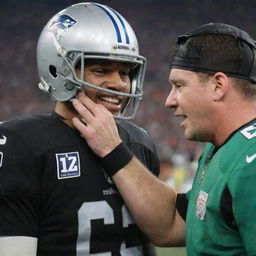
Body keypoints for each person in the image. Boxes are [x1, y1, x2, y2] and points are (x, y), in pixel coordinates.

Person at [72, 22, 256, 255]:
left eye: (179, 85)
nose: (170, 101)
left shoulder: (251, 162)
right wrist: (112, 149)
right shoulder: (221, 146)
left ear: (218, 86)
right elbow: (173, 225)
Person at [0, 2, 160, 256]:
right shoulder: (21, 144)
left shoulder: (139, 142)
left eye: (125, 72)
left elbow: (147, 243)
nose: (119, 84)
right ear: (58, 70)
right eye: (101, 70)